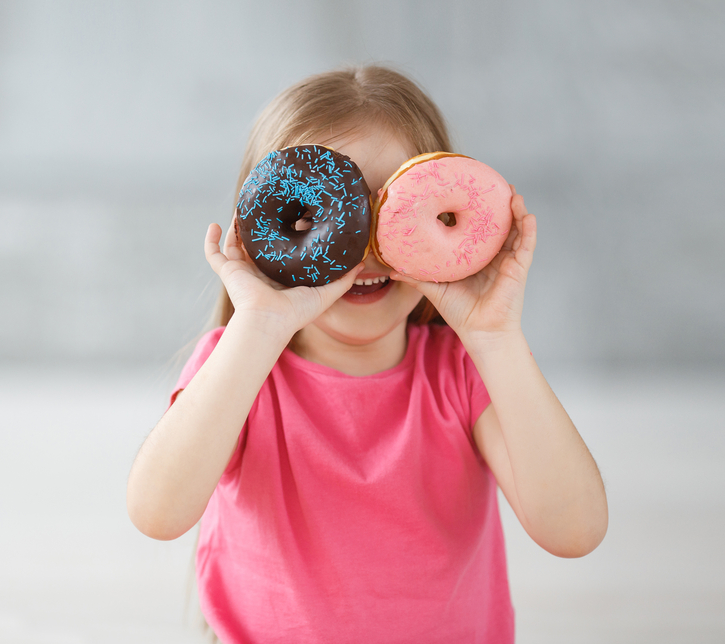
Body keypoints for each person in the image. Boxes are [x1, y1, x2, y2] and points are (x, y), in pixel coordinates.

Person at [126, 65, 608, 643]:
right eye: (317, 217)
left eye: (395, 212)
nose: (363, 249)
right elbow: (158, 513)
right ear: (264, 230)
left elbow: (575, 530)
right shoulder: (240, 370)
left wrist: (495, 337)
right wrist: (258, 325)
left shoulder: (462, 373)